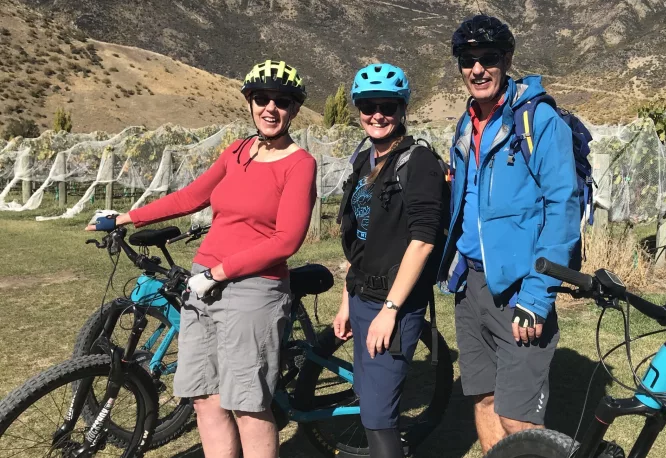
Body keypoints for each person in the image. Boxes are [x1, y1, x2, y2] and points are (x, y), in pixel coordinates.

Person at [86, 59, 317, 458]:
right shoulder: (237, 151)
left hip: (252, 290)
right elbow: (191, 197)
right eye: (261, 98)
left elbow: (286, 240)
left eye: (282, 101)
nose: (270, 108)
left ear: (295, 109)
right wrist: (124, 216)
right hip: (202, 282)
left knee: (248, 404)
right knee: (205, 398)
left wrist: (220, 273)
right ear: (249, 102)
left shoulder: (300, 163)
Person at [437, 15, 581, 453]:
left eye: (488, 58)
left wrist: (537, 297)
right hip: (472, 286)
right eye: (468, 60)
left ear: (508, 60)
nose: (477, 69)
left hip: (520, 287)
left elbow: (563, 209)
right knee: (483, 397)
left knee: (518, 417)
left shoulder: (539, 121)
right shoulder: (466, 124)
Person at [332, 63, 447, 458]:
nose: (377, 114)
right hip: (362, 297)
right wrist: (347, 301)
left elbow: (422, 242)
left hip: (393, 304)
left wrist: (390, 310)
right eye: (367, 105)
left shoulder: (418, 162)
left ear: (402, 109)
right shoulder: (364, 160)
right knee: (369, 401)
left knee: (379, 417)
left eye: (387, 106)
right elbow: (359, 242)